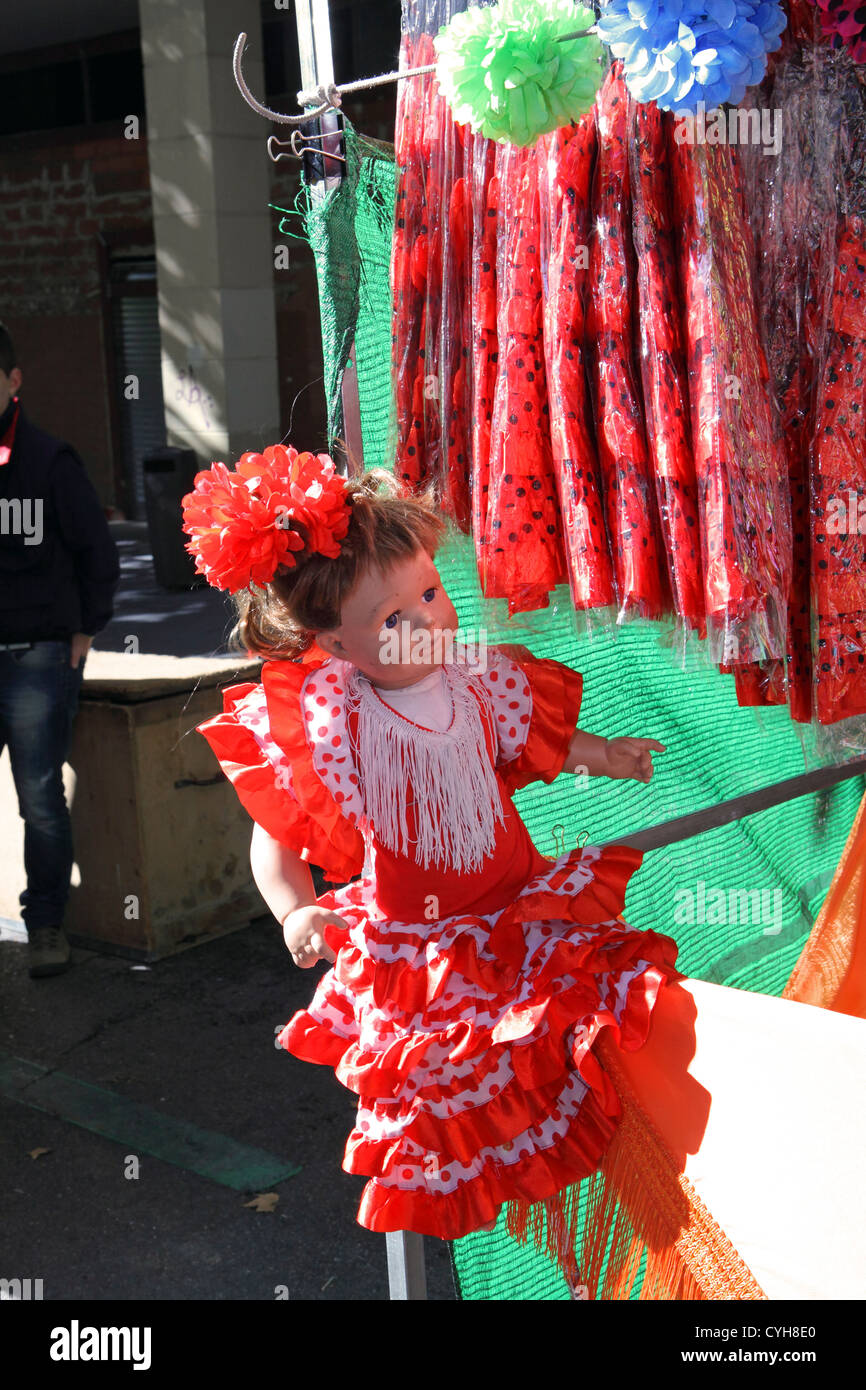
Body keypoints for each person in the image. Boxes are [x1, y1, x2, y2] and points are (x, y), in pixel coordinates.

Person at [186, 443, 679, 1283]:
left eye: (432, 592)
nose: (429, 622)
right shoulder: (332, 726)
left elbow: (542, 740)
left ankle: (600, 1219)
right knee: (455, 1099)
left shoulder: (479, 681)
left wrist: (606, 754)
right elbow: (280, 833)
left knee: (558, 1047)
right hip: (426, 952)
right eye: (394, 620)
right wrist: (296, 908)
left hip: (518, 910)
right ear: (332, 642)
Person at [0, 322, 120, 978]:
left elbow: (97, 553)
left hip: (36, 657)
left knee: (39, 796)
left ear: (14, 381)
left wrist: (86, 629)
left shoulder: (49, 461)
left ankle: (45, 923)